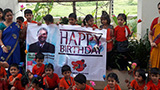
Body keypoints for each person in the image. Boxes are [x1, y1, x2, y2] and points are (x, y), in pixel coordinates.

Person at [149, 2, 160, 69]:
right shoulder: (155, 21)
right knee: (154, 69)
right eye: (159, 8)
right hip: (155, 48)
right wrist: (151, 42)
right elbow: (150, 34)